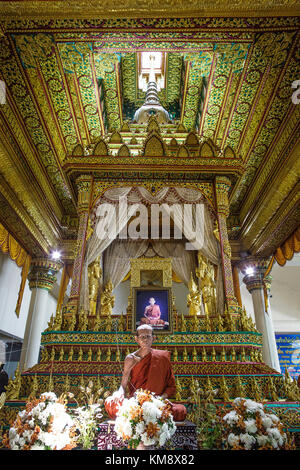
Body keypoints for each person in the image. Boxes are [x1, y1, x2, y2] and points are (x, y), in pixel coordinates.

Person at [105, 325, 187, 422]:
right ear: (136, 339)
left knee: (180, 410)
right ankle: (143, 414)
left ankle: (141, 415)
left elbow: (171, 387)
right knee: (110, 403)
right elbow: (123, 385)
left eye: (148, 336)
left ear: (153, 338)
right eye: (142, 337)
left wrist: (160, 399)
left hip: (156, 403)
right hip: (135, 402)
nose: (145, 340)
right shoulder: (130, 358)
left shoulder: (162, 358)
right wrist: (118, 393)